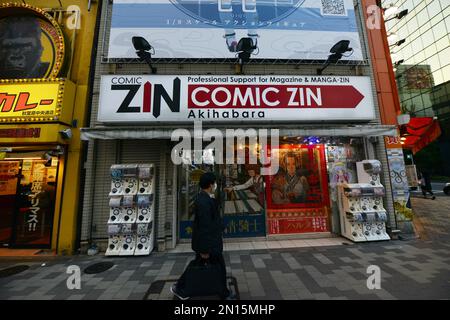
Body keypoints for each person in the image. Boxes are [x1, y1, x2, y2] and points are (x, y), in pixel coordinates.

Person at [171, 172, 232, 300]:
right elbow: (205, 226)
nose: (215, 185)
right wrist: (204, 249)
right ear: (210, 185)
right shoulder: (204, 202)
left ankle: (180, 287)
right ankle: (223, 293)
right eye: (214, 183)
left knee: (199, 264)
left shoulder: (205, 198)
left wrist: (221, 227)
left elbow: (212, 220)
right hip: (209, 243)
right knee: (219, 267)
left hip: (208, 241)